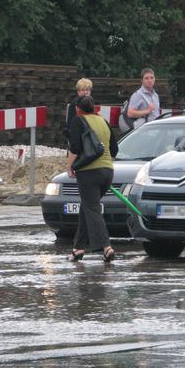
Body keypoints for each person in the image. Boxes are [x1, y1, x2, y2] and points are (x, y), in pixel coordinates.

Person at [66, 95, 118, 262]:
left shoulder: (78, 121)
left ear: (78, 109)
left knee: (92, 209)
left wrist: (69, 167)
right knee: (88, 207)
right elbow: (114, 149)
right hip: (108, 172)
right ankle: (78, 248)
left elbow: (74, 148)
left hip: (89, 173)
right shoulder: (103, 121)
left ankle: (106, 247)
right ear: (94, 108)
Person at [120, 68, 160, 133]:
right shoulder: (137, 95)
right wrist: (147, 111)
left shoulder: (156, 96)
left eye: (152, 77)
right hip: (143, 131)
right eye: (146, 78)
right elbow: (130, 113)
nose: (150, 80)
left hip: (154, 130)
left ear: (155, 78)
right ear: (142, 80)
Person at [64, 78, 93, 146]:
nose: (85, 92)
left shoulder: (92, 103)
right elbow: (70, 122)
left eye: (87, 90)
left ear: (90, 91)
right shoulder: (74, 104)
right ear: (78, 92)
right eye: (83, 90)